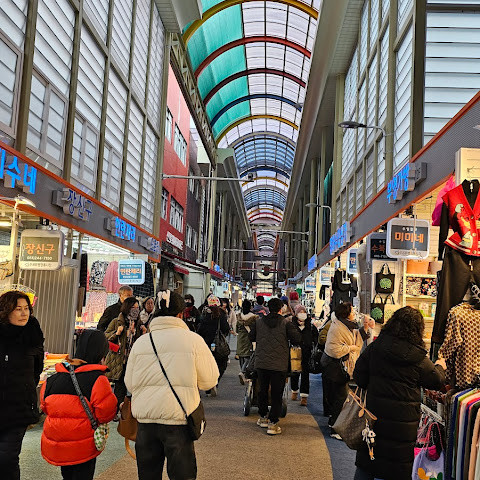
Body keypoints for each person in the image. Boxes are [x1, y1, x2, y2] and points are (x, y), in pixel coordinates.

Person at [125, 290, 219, 480]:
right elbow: (209, 380)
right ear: (181, 314)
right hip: (178, 421)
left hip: (146, 422)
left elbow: (130, 383)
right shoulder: (194, 341)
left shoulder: (142, 342)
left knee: (148, 475)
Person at [353, 307, 446, 480]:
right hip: (402, 425)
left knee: (368, 460)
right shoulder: (418, 357)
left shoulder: (376, 348)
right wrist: (441, 365)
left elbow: (359, 377)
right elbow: (436, 381)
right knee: (396, 466)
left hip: (374, 417)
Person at [40, 330, 117, 480]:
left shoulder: (54, 378)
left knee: (67, 476)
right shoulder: (98, 380)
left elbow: (44, 406)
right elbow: (105, 414)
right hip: (83, 447)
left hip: (59, 444)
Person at [0, 291, 44, 480]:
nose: (24, 313)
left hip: (19, 408)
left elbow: (36, 371)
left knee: (7, 457)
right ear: (6, 311)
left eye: (26, 308)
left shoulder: (33, 336)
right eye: (18, 309)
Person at [249, 297, 301, 435]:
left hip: (262, 362)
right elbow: (297, 339)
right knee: (277, 393)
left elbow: (251, 337)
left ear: (268, 308)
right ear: (281, 309)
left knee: (262, 390)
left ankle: (263, 417)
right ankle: (273, 423)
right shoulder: (286, 323)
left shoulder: (259, 322)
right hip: (279, 364)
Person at [322, 302, 374, 439]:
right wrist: (351, 348)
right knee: (340, 398)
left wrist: (366, 327)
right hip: (336, 368)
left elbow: (356, 336)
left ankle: (333, 423)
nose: (354, 313)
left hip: (341, 368)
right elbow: (334, 349)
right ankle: (335, 429)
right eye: (352, 311)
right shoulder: (337, 327)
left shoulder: (347, 325)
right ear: (346, 314)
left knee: (339, 397)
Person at [105, 296, 146, 407]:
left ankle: (129, 411)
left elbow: (142, 343)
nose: (135, 311)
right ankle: (117, 410)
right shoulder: (116, 322)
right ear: (127, 308)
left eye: (137, 308)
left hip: (135, 361)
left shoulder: (140, 324)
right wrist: (117, 333)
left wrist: (143, 333)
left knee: (134, 388)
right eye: (133, 308)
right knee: (120, 387)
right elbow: (106, 337)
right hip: (120, 360)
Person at [197, 295, 230, 395]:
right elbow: (226, 329)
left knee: (207, 366)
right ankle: (215, 382)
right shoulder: (221, 315)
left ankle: (208, 388)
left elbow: (199, 330)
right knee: (222, 363)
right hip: (218, 344)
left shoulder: (203, 314)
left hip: (206, 344)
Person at [290, 305, 318, 406]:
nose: (302, 314)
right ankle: (294, 390)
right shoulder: (291, 325)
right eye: (300, 312)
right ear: (296, 314)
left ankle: (304, 396)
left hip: (307, 353)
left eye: (304, 312)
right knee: (294, 372)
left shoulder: (311, 326)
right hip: (294, 352)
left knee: (305, 374)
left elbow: (316, 338)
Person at [236, 299, 258, 383]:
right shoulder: (254, 317)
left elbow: (236, 329)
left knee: (241, 356)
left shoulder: (239, 316)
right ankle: (243, 372)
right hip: (249, 338)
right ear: (250, 307)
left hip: (240, 338)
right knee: (248, 357)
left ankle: (242, 372)